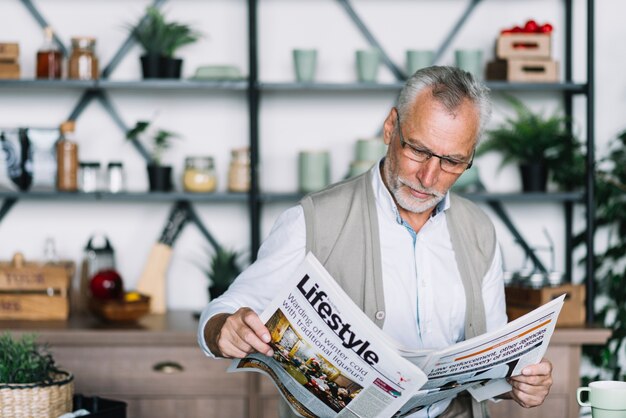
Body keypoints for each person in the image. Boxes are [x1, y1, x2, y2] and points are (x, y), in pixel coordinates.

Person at [197, 66, 553, 417]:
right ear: (390, 127)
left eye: (452, 162)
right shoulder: (312, 221)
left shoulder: (479, 229)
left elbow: (492, 362)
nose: (429, 176)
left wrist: (518, 384)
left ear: (470, 157)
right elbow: (222, 313)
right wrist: (225, 330)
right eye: (417, 150)